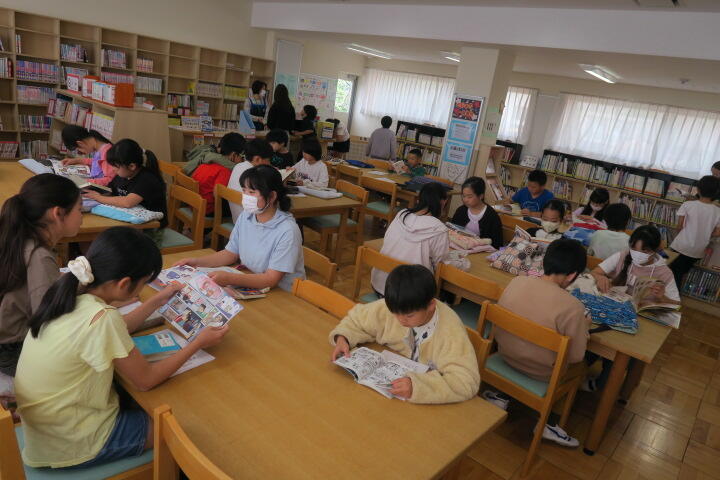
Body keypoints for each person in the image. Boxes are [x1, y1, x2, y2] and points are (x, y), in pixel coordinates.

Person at [14, 227, 228, 469]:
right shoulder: (102, 317)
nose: (143, 288)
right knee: (185, 428)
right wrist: (198, 342)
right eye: (144, 283)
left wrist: (158, 299)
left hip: (48, 431)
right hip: (74, 442)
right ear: (125, 283)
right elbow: (146, 380)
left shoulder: (71, 292)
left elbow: (119, 327)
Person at [482, 238, 590, 447]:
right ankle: (549, 423)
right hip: (541, 374)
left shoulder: (517, 281)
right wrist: (584, 328)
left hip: (504, 355)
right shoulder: (574, 307)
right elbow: (576, 357)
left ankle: (502, 395)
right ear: (572, 275)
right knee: (584, 365)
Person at [330, 264, 480, 404]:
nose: (401, 320)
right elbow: (356, 319)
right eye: (395, 314)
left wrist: (419, 387)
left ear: (430, 305)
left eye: (409, 316)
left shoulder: (450, 329)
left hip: (428, 403)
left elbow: (466, 382)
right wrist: (343, 338)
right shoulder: (399, 304)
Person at [174, 165, 305, 292]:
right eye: (244, 190)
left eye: (252, 192)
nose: (246, 196)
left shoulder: (287, 230)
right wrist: (197, 262)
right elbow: (230, 253)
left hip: (281, 293)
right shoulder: (247, 215)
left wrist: (230, 278)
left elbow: (271, 279)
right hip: (252, 278)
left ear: (272, 196)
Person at [0, 175, 82, 377]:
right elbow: (49, 320)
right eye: (80, 209)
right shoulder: (39, 256)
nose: (82, 217)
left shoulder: (18, 237)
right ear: (58, 213)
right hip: (13, 350)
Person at [371, 183, 449, 295]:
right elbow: (440, 265)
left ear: (419, 199)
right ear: (443, 202)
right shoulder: (439, 228)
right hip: (409, 296)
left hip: (380, 284)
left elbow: (387, 239)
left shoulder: (401, 215)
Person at [83, 139, 168, 242]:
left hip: (150, 229)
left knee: (104, 241)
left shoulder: (147, 179)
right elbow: (110, 191)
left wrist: (98, 197)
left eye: (116, 166)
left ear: (132, 166)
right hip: (131, 223)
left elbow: (127, 202)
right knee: (94, 237)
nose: (113, 169)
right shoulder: (122, 175)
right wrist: (90, 190)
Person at [669, 175, 720, 287]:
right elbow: (718, 232)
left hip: (681, 246)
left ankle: (673, 296)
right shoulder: (717, 211)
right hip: (698, 250)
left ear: (698, 189)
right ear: (716, 192)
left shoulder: (687, 205)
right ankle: (674, 295)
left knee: (671, 273)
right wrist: (706, 233)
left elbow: (679, 226)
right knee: (681, 273)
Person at [184, 132, 245, 216]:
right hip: (207, 210)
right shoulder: (225, 171)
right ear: (233, 155)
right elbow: (218, 195)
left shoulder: (206, 161)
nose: (243, 161)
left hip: (194, 204)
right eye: (242, 157)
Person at [451, 176, 503, 249]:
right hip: (460, 247)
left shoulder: (492, 216)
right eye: (463, 196)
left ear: (481, 196)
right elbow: (452, 231)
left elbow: (497, 244)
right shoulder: (461, 211)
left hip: (482, 252)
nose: (465, 200)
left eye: (469, 197)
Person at [227, 138, 273, 222]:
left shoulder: (238, 166)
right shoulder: (254, 175)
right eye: (268, 160)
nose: (269, 164)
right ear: (257, 159)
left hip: (237, 219)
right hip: (252, 222)